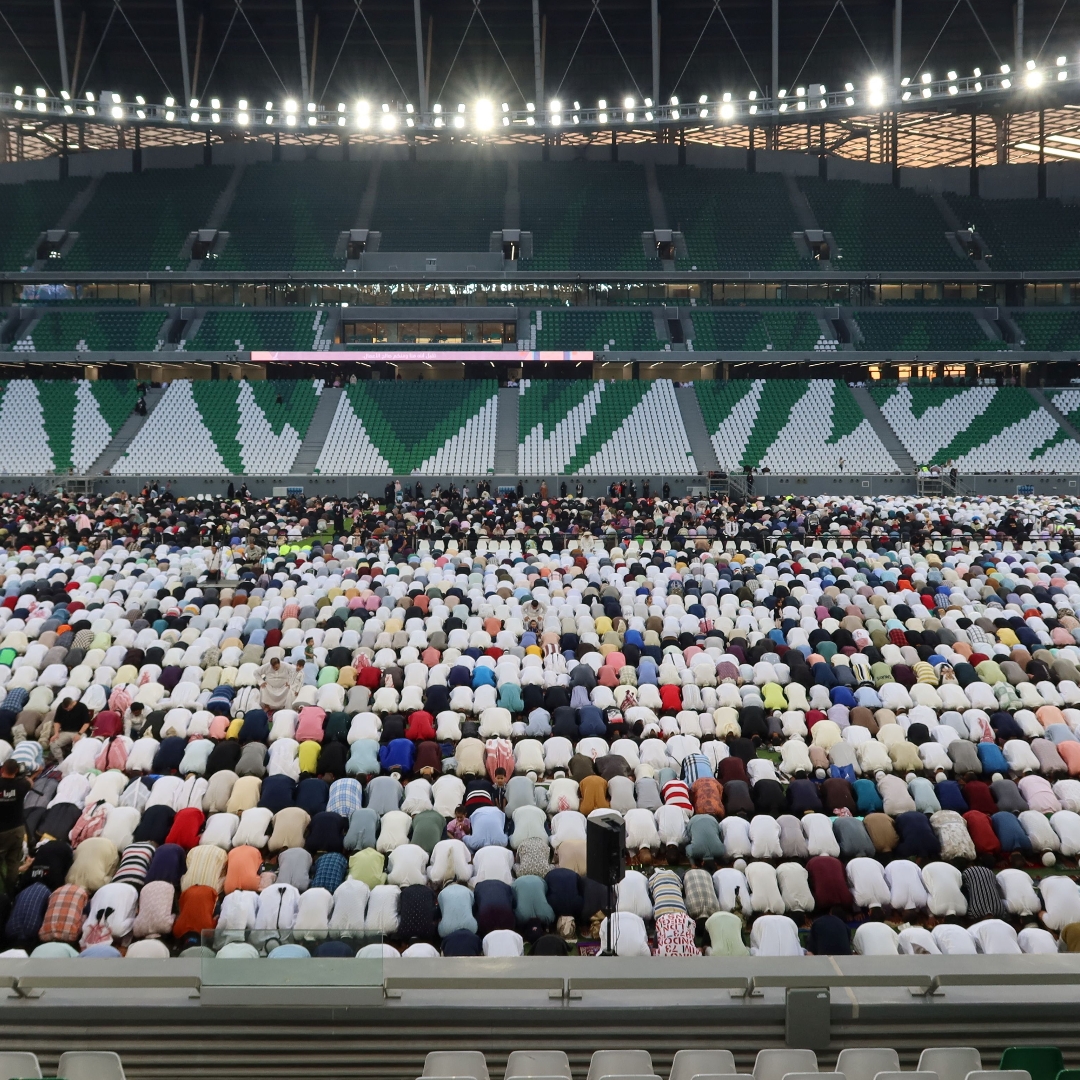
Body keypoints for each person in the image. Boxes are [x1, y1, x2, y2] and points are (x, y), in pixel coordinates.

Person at [0, 758, 30, 895]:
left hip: (1, 831)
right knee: (13, 864)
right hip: (17, 829)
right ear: (16, 771)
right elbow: (30, 783)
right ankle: (10, 893)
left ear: (2, 769)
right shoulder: (21, 785)